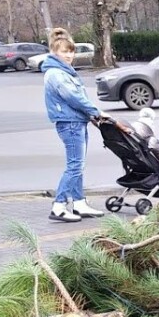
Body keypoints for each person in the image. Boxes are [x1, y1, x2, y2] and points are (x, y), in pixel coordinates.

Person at [42, 27, 107, 222]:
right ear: (55, 52)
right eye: (64, 52)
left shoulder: (64, 72)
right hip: (70, 123)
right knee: (74, 166)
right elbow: (74, 97)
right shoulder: (56, 74)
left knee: (78, 165)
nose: (69, 55)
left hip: (76, 122)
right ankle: (59, 205)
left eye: (71, 51)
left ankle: (79, 203)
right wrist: (96, 111)